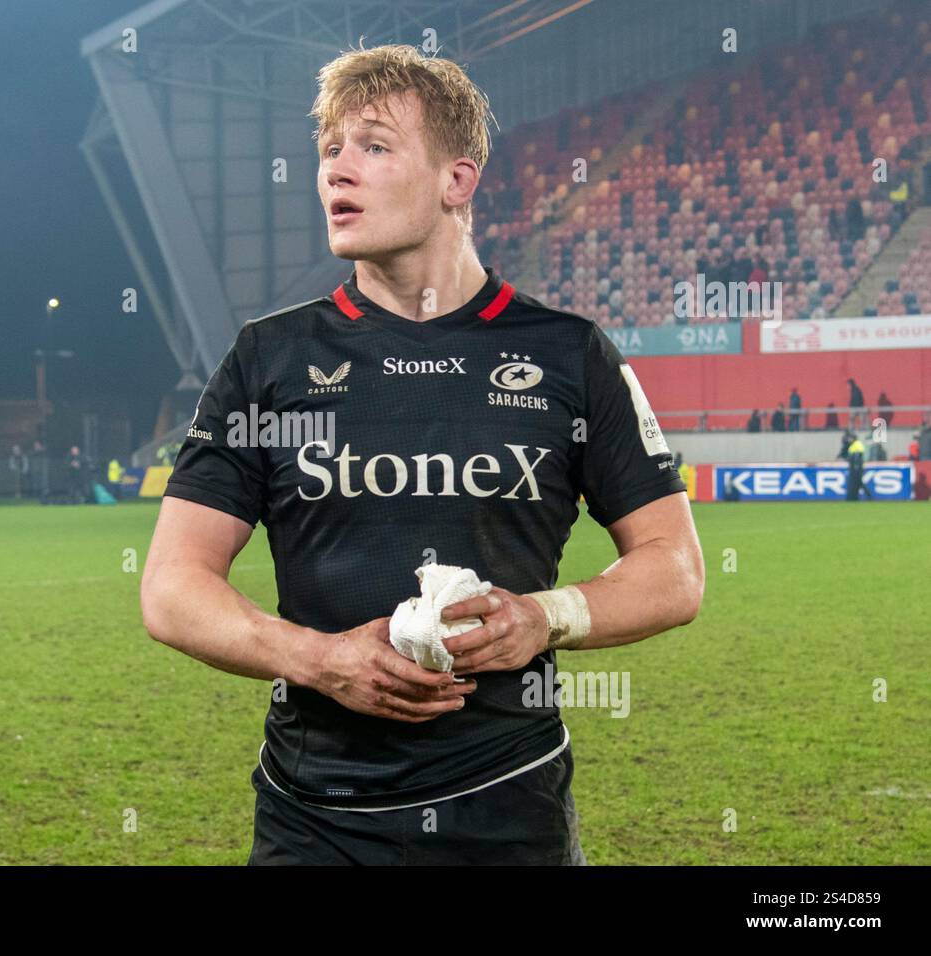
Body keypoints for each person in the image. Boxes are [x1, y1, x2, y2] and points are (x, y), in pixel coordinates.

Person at [141, 44, 702, 866]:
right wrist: (321, 659)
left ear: (457, 180)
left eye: (373, 145)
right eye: (329, 149)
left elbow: (675, 569)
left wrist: (543, 617)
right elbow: (170, 586)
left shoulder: (570, 355)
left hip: (506, 807)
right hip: (313, 816)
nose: (338, 170)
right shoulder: (267, 358)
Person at [845, 433, 871, 500]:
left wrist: (856, 466)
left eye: (850, 438)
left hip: (857, 468)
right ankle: (855, 497)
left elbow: (858, 456)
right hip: (854, 467)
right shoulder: (852, 445)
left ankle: (868, 495)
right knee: (857, 483)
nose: (848, 440)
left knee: (857, 482)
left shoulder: (857, 444)